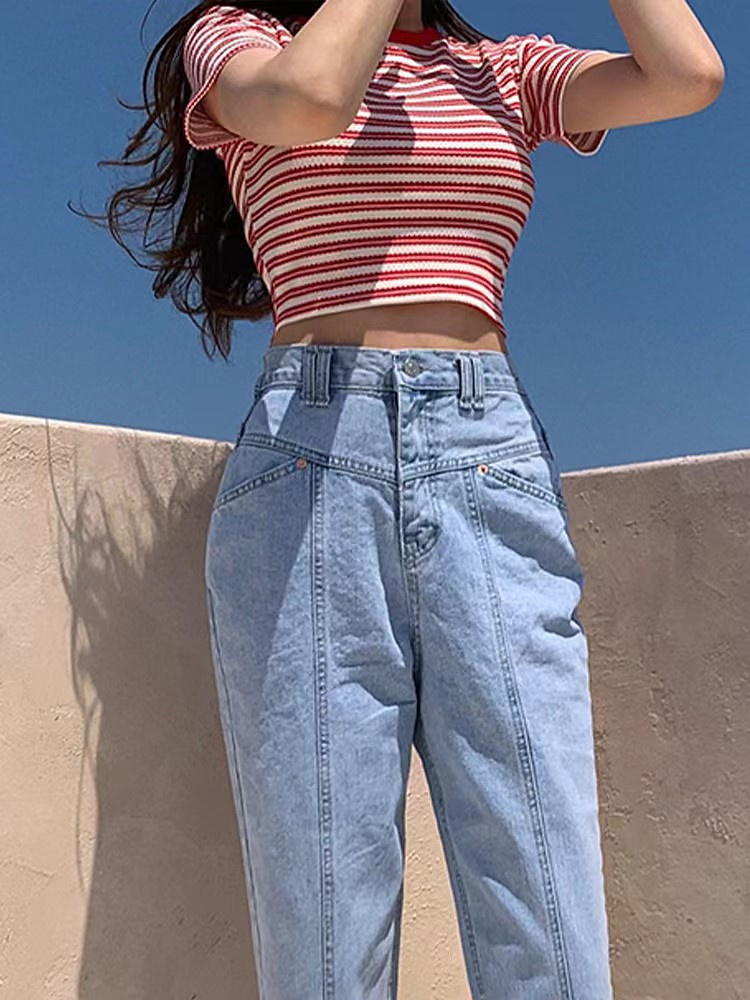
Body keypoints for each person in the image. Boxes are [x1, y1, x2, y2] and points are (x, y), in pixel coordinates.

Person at [85, 1, 724, 996]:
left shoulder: (502, 71)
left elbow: (686, 74)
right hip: (309, 469)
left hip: (487, 461)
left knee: (548, 914)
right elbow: (309, 97)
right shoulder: (239, 38)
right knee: (327, 936)